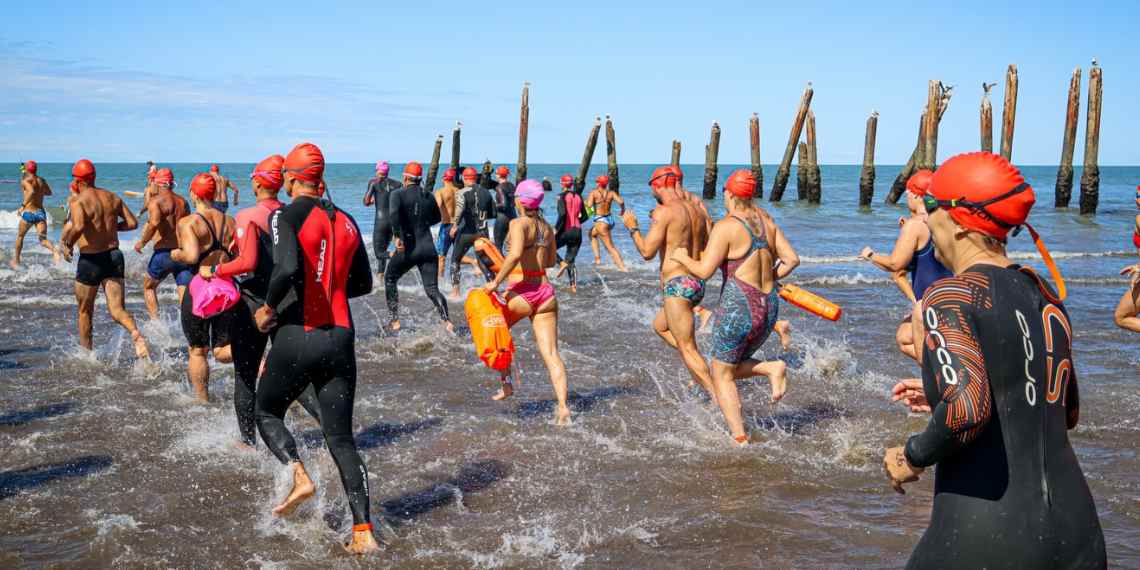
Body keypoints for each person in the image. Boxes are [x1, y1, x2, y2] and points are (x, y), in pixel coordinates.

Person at [882, 152, 1105, 568]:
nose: (927, 221)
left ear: (960, 221)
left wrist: (909, 457)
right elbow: (1063, 411)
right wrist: (940, 396)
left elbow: (966, 411)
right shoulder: (1045, 294)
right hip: (1079, 535)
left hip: (987, 533)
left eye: (932, 208)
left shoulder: (949, 295)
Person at [252, 142, 378, 554]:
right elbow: (364, 283)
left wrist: (268, 308)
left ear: (290, 179)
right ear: (319, 178)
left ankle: (297, 473)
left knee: (266, 410)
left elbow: (286, 267)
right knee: (340, 438)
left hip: (296, 334)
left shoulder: (284, 215)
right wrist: (330, 286)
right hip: (341, 337)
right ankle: (363, 533)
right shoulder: (346, 220)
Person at [198, 154, 319, 446]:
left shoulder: (247, 216)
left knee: (246, 373)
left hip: (255, 303)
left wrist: (214, 269)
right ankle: (330, 424)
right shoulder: (290, 214)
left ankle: (248, 442)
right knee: (295, 372)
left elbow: (247, 261)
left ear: (257, 182)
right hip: (289, 300)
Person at [671, 170, 797, 445]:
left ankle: (740, 438)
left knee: (721, 374)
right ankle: (769, 371)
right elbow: (791, 259)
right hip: (769, 306)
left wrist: (682, 256)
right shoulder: (767, 222)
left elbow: (704, 271)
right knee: (731, 367)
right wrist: (771, 277)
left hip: (739, 306)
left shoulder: (727, 226)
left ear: (728, 194)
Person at [620, 166, 717, 400]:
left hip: (677, 286)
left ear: (657, 185)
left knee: (688, 347)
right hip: (696, 282)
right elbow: (710, 242)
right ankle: (700, 369)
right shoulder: (698, 209)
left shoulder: (665, 212)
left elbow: (646, 252)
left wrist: (632, 227)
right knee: (660, 327)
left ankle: (718, 396)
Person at [484, 179, 571, 425]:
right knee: (552, 354)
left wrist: (495, 283)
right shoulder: (546, 227)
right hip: (545, 292)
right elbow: (552, 261)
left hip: (521, 291)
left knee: (496, 331)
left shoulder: (517, 223)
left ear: (520, 201)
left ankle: (507, 384)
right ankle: (563, 407)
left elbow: (514, 255)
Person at [58, 159, 150, 359]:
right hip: (114, 256)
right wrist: (111, 228)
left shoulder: (77, 200)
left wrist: (68, 245)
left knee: (85, 311)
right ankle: (136, 334)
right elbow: (133, 222)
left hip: (90, 260)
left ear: (78, 180)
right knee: (117, 310)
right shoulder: (112, 197)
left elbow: (79, 226)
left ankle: (87, 355)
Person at [859, 170, 952, 360]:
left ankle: (937, 380)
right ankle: (942, 372)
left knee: (912, 341)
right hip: (950, 295)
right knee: (904, 335)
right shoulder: (945, 219)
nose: (907, 197)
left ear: (916, 194)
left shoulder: (915, 225)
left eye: (908, 193)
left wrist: (870, 255)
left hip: (931, 302)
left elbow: (895, 264)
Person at [170, 173, 237, 403]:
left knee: (198, 350)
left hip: (200, 291)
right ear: (214, 193)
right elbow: (238, 256)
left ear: (193, 194)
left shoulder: (189, 222)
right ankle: (255, 358)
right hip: (227, 290)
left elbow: (190, 256)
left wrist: (174, 253)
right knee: (222, 348)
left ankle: (202, 400)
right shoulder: (231, 221)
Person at [385, 161, 453, 332]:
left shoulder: (397, 194)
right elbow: (438, 218)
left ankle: (395, 321)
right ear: (419, 179)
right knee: (432, 289)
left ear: (405, 178)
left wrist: (398, 236)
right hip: (428, 248)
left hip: (408, 247)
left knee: (390, 278)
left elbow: (393, 215)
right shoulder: (428, 195)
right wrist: (421, 223)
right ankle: (447, 322)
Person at [134, 168, 192, 319]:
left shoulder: (155, 202)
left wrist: (142, 242)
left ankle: (157, 324)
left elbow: (153, 224)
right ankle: (190, 328)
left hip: (163, 254)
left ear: (158, 183)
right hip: (182, 253)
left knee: (148, 287)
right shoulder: (183, 202)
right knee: (185, 296)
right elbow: (190, 225)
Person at [449, 167, 496, 297]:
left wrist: (454, 226)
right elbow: (493, 213)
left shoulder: (461, 192)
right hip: (482, 232)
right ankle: (492, 287)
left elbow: (459, 210)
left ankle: (455, 292)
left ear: (464, 178)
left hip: (466, 232)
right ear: (476, 178)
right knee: (483, 261)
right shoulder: (486, 192)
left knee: (455, 260)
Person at [11, 160, 61, 267]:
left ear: (27, 169)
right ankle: (54, 250)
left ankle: (16, 261)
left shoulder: (25, 181)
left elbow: (31, 191)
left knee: (20, 237)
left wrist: (22, 206)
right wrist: (40, 190)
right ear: (36, 169)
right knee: (43, 240)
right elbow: (49, 192)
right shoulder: (41, 180)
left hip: (29, 213)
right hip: (40, 213)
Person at [362, 160, 402, 280]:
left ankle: (399, 255)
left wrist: (373, 201)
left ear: (378, 171)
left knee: (379, 253)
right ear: (387, 172)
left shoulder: (374, 183)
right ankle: (380, 279)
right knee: (383, 251)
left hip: (381, 222)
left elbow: (365, 201)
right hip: (395, 222)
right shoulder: (398, 184)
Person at [553, 174, 588, 293]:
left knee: (549, 248)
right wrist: (577, 221)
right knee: (571, 260)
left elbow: (562, 215)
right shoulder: (579, 196)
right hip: (577, 231)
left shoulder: (560, 196)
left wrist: (556, 229)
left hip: (565, 231)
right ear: (572, 184)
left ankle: (562, 263)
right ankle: (573, 287)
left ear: (562, 184)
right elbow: (585, 215)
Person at [587, 174, 628, 271]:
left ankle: (623, 268)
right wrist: (622, 211)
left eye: (597, 181)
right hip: (609, 220)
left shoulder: (594, 192)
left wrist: (589, 203)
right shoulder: (611, 193)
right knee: (591, 234)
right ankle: (598, 260)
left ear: (598, 183)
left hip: (601, 221)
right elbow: (621, 202)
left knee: (610, 247)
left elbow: (589, 205)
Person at [434, 167, 459, 279]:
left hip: (446, 226)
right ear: (452, 179)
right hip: (458, 226)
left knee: (441, 256)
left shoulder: (440, 192)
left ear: (444, 178)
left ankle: (440, 280)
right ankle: (456, 282)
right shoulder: (459, 191)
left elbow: (437, 207)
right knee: (457, 256)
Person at [492, 165, 516, 252]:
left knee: (498, 246)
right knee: (511, 245)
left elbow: (503, 205)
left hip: (502, 218)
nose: (495, 175)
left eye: (496, 174)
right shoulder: (512, 186)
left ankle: (502, 265)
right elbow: (514, 202)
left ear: (498, 175)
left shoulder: (500, 187)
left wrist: (492, 206)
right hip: (513, 216)